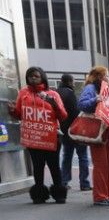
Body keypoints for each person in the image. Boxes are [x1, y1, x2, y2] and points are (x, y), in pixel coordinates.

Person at [8, 67, 68, 204]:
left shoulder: (53, 94)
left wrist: (53, 104)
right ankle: (39, 194)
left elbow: (63, 116)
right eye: (30, 76)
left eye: (36, 76)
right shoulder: (23, 93)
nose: (33, 79)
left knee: (54, 165)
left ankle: (59, 194)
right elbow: (19, 115)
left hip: (51, 136)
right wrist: (12, 111)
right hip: (33, 136)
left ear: (42, 77)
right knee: (38, 166)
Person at [78, 66, 109, 207]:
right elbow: (82, 104)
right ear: (100, 77)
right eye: (107, 75)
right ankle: (101, 196)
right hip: (97, 131)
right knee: (101, 165)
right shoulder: (91, 89)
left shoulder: (100, 89)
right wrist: (95, 100)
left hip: (104, 131)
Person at [57, 73, 92, 192]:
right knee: (83, 156)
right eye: (73, 81)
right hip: (75, 130)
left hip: (63, 131)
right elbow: (75, 112)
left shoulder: (57, 93)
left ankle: (64, 181)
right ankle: (84, 183)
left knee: (67, 156)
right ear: (70, 82)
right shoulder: (70, 93)